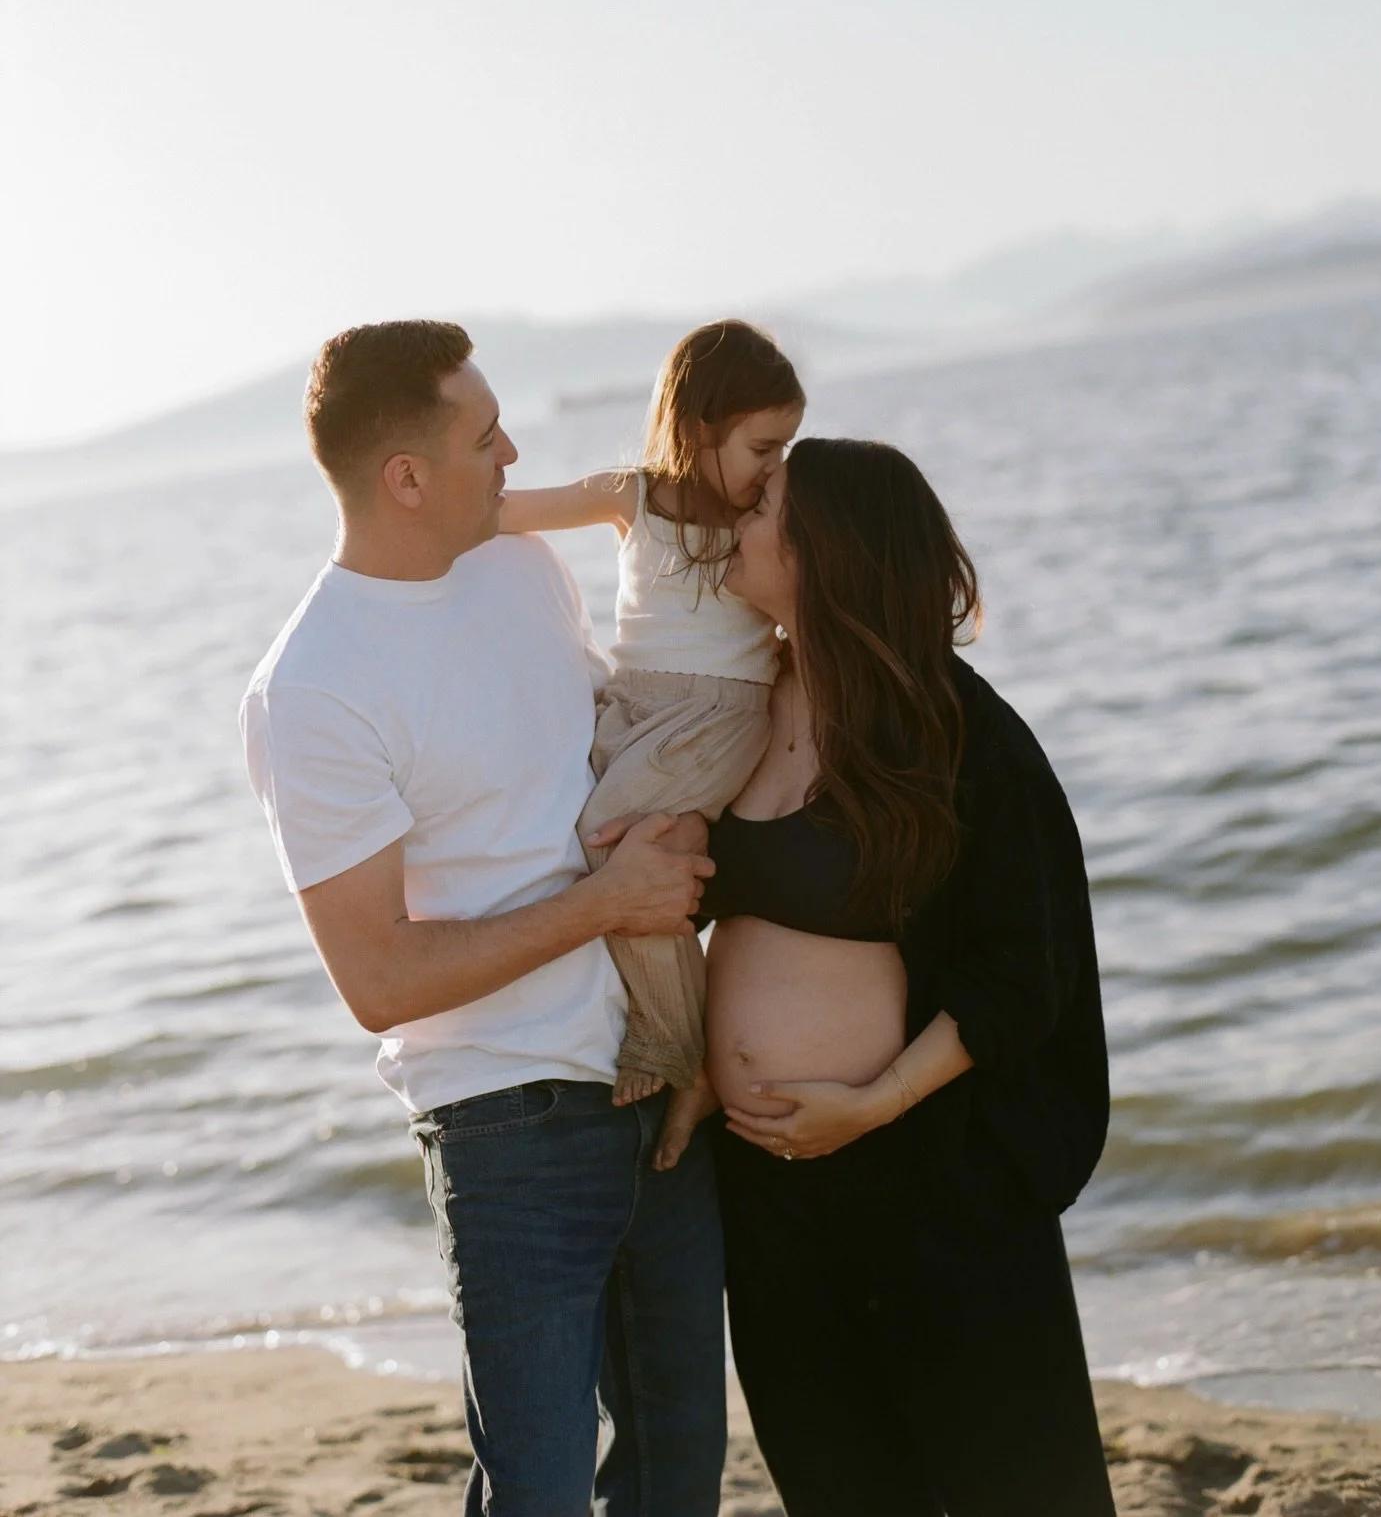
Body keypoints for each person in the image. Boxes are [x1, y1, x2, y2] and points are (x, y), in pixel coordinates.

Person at [239, 320, 727, 1517]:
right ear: (406, 477)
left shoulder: (522, 569)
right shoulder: (313, 687)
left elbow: (607, 768)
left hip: (656, 1081)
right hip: (508, 1129)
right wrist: (605, 902)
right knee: (542, 1492)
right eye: (484, 432)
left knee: (677, 1478)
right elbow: (381, 979)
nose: (513, 449)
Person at [672, 437, 1117, 1517]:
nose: (739, 505)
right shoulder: (745, 701)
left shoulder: (959, 732)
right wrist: (694, 1067)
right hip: (770, 1196)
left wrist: (874, 1102)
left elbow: (1025, 966)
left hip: (932, 1184)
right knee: (841, 1487)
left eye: (766, 496)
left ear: (828, 547)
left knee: (1015, 1486)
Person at [498, 318, 803, 1146]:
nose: (778, 469)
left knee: (615, 842)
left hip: (715, 718)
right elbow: (504, 511)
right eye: (764, 447)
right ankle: (645, 1016)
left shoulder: (758, 526)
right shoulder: (629, 495)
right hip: (632, 710)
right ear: (702, 427)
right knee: (597, 833)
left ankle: (678, 1039)